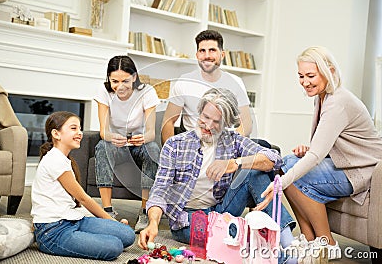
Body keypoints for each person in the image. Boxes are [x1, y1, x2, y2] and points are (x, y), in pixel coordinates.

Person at [139, 88, 296, 263]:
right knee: (230, 237)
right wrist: (153, 223)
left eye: (216, 122)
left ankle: (288, 243)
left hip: (222, 209)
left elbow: (273, 158)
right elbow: (160, 189)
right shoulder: (175, 145)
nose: (208, 125)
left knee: (254, 171)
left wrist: (234, 163)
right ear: (199, 112)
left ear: (226, 124)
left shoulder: (232, 140)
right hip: (189, 218)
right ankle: (276, 254)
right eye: (205, 117)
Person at [259, 46, 382, 260]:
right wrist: (308, 149)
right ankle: (309, 238)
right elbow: (323, 145)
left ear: (330, 71)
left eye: (310, 75)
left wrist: (281, 182)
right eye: (300, 76)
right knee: (286, 163)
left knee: (292, 174)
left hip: (362, 170)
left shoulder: (338, 102)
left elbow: (316, 156)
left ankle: (327, 242)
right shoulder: (322, 97)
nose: (305, 81)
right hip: (345, 163)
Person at [31, 111, 135, 261]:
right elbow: (84, 199)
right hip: (53, 231)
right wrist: (110, 222)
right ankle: (90, 238)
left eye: (80, 128)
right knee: (115, 246)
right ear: (56, 134)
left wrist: (112, 226)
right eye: (73, 128)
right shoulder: (54, 160)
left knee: (127, 234)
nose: (80, 133)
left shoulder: (63, 159)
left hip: (74, 219)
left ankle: (92, 237)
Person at [94, 55, 160, 233]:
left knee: (152, 149)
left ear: (135, 77)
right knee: (102, 147)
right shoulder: (103, 91)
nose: (120, 86)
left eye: (125, 81)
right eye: (115, 81)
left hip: (138, 145)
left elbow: (151, 133)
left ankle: (144, 211)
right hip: (116, 145)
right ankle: (108, 212)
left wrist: (143, 138)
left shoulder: (147, 92)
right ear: (108, 78)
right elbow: (103, 131)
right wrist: (111, 137)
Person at [161, 29, 254, 144]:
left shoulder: (236, 82)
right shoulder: (184, 82)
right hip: (195, 144)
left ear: (222, 54)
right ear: (197, 55)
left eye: (212, 50)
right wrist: (171, 153)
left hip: (227, 144)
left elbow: (246, 123)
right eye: (202, 51)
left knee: (266, 151)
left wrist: (229, 145)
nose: (207, 56)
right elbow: (168, 122)